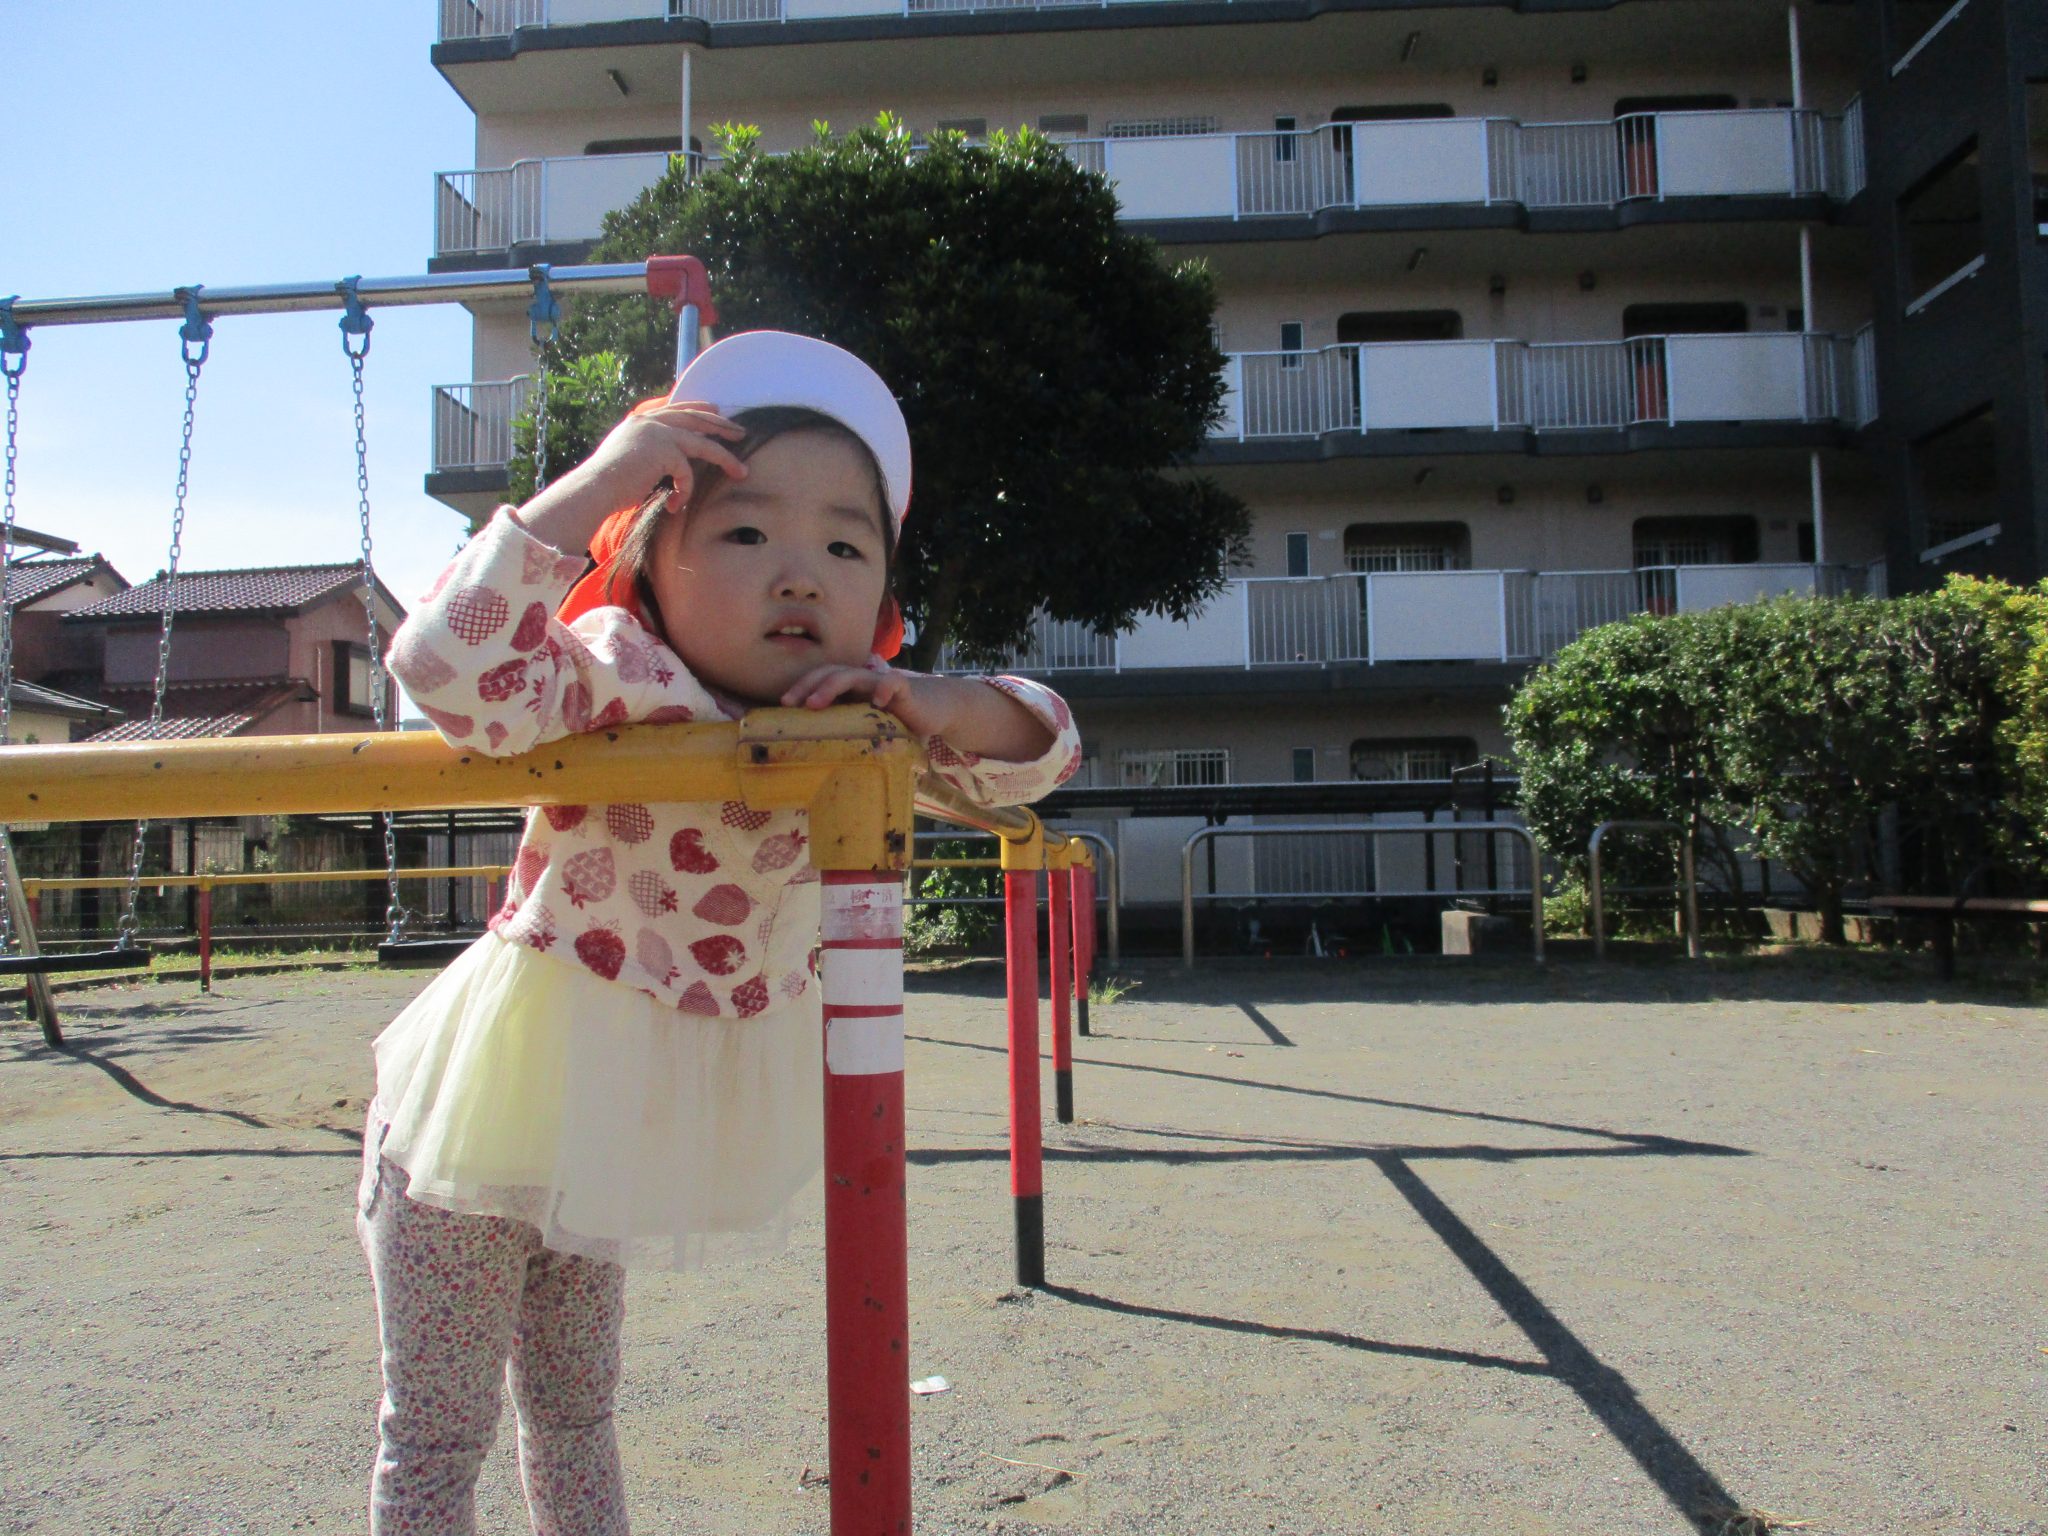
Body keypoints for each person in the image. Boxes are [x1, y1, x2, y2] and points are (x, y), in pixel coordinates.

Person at [359, 330, 1081, 1535]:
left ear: (881, 605)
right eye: (745, 534)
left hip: (606, 1128)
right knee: (437, 1434)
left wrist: (927, 701)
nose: (798, 575)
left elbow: (1043, 749)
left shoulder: (856, 727)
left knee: (575, 1413)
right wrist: (595, 483)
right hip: (474, 1117)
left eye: (843, 547)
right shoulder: (612, 674)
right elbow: (440, 668)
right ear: (647, 561)